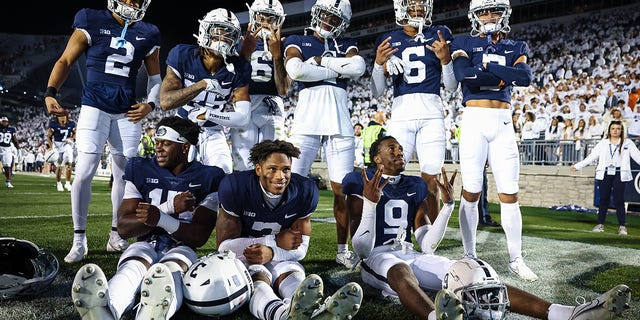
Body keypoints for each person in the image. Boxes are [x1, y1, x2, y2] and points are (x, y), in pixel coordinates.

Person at [345, 136, 631, 320]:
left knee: (470, 271)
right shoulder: (359, 181)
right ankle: (435, 317)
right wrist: (370, 205)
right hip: (377, 259)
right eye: (391, 148)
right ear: (377, 158)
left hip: (409, 252)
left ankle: (564, 313)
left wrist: (447, 206)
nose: (399, 151)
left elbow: (426, 243)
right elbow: (360, 248)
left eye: (399, 147)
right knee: (399, 271)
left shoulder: (415, 185)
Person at [70, 116, 225, 320]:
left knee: (170, 274)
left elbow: (198, 237)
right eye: (157, 142)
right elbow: (124, 228)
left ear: (185, 147)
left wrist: (160, 218)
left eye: (166, 144)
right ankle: (107, 311)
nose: (158, 148)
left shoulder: (209, 176)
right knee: (132, 267)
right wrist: (167, 209)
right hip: (145, 242)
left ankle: (150, 315)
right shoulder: (140, 168)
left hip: (182, 246)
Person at [44, 0, 162, 263]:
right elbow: (65, 59)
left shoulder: (149, 32)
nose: (133, 3)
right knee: (85, 169)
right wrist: (51, 92)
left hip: (128, 111)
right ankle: (79, 240)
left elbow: (155, 79)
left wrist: (150, 105)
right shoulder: (91, 19)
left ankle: (115, 235)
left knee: (124, 176)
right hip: (95, 105)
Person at [216, 140, 363, 320]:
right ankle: (283, 315)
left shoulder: (303, 190)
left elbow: (300, 250)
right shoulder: (236, 187)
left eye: (286, 169)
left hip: (280, 255)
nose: (280, 176)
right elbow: (223, 249)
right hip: (244, 256)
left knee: (293, 273)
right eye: (272, 169)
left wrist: (272, 251)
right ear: (258, 169)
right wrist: (271, 242)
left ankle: (312, 311)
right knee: (257, 277)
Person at [450, 0, 538, 281]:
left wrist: (488, 68)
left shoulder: (517, 46)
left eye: (495, 11)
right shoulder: (463, 41)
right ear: (474, 16)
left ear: (505, 14)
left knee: (510, 195)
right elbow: (465, 76)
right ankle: (469, 254)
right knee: (471, 192)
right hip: (474, 119)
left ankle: (516, 258)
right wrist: (504, 75)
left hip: (503, 122)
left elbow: (524, 77)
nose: (490, 16)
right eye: (484, 11)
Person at [283, 0, 366, 269]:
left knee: (343, 190)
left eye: (334, 17)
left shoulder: (348, 42)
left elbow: (358, 68)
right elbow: (296, 70)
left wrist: (320, 62)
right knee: (292, 186)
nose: (327, 21)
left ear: (342, 22)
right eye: (325, 15)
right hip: (307, 118)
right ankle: (285, 243)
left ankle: (344, 250)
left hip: (340, 120)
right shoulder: (298, 39)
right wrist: (335, 68)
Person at [369, 0, 457, 224]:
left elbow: (451, 86)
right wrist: (379, 64)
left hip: (431, 114)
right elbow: (376, 91)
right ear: (402, 8)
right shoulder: (389, 39)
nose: (418, 8)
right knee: (388, 174)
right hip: (401, 113)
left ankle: (432, 242)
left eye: (421, 4)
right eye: (413, 4)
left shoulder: (440, 32)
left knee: (432, 181)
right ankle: (384, 231)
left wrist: (446, 61)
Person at [159, 8, 251, 174]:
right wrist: (201, 84)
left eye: (229, 35)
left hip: (214, 128)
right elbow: (166, 102)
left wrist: (208, 114)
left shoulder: (240, 67)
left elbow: (243, 118)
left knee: (221, 173)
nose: (223, 39)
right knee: (173, 175)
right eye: (218, 32)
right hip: (182, 125)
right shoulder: (182, 54)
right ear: (204, 31)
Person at [230, 0, 290, 172]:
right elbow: (230, 81)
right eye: (262, 17)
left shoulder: (285, 45)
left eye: (271, 19)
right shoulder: (239, 43)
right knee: (243, 165)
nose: (265, 23)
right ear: (253, 17)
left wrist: (277, 55)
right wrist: (243, 54)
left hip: (272, 105)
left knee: (272, 164)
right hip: (245, 103)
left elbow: (284, 89)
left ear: (278, 21)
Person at [571, 120, 640, 236]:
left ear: (621, 130)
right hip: (605, 173)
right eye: (613, 128)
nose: (615, 131)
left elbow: (638, 156)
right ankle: (600, 224)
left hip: (620, 173)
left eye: (618, 128)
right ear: (609, 130)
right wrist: (578, 166)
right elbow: (592, 157)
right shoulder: (603, 143)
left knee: (619, 200)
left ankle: (622, 226)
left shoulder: (627, 143)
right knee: (604, 200)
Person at [46, 114, 77, 192]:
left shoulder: (71, 123)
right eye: (61, 117)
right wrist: (50, 147)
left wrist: (72, 138)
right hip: (57, 145)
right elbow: (49, 137)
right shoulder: (53, 124)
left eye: (64, 116)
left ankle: (67, 183)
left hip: (67, 145)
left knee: (69, 164)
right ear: (57, 118)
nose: (63, 118)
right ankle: (59, 183)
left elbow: (75, 133)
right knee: (59, 166)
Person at [0, 116, 20, 188]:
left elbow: (15, 140)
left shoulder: (12, 129)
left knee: (7, 166)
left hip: (7, 149)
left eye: (6, 121)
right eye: (3, 121)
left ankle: (8, 182)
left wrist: (18, 149)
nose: (4, 123)